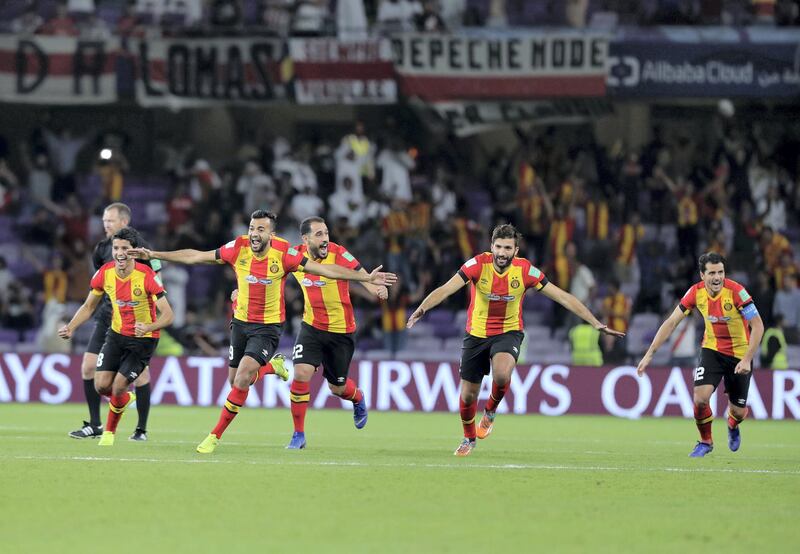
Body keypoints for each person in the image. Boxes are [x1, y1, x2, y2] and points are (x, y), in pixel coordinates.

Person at [129, 210, 396, 454]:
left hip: (295, 328)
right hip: (274, 324)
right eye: (252, 228)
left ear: (272, 234)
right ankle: (290, 412)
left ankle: (215, 435)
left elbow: (330, 270)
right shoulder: (239, 247)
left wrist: (369, 281)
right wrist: (154, 255)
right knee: (240, 381)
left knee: (334, 387)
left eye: (261, 229)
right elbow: (196, 256)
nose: (255, 234)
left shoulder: (293, 254)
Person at [406, 224, 623, 457]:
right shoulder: (477, 264)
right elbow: (446, 288)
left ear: (516, 250)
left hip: (508, 331)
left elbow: (563, 297)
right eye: (498, 247)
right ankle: (469, 438)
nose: (502, 252)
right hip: (476, 334)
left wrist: (594, 321)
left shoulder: (525, 271)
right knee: (468, 394)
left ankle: (489, 412)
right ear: (491, 247)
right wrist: (422, 308)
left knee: (501, 374)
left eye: (507, 248)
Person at [636, 252, 764, 457]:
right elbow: (671, 322)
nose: (717, 277)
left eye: (720, 272)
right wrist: (649, 354)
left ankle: (732, 423)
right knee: (700, 399)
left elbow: (757, 326)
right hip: (711, 349)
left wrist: (747, 358)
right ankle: (706, 441)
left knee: (738, 411)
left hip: (740, 355)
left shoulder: (737, 292)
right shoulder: (695, 293)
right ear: (702, 275)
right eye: (712, 273)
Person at [58, 228, 174, 446]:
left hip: (143, 339)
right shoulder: (104, 273)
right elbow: (88, 305)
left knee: (119, 385)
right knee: (101, 386)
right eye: (116, 248)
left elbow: (168, 315)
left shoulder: (146, 276)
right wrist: (71, 327)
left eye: (126, 249)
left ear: (134, 252)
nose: (120, 253)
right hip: (117, 335)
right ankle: (123, 400)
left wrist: (149, 325)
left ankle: (109, 434)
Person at [285, 217, 388, 449]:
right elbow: (271, 273)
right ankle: (298, 434)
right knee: (301, 374)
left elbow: (364, 275)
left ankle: (357, 397)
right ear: (306, 239)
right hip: (311, 327)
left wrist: (376, 289)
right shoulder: (293, 255)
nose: (325, 239)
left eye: (326, 233)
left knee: (337, 388)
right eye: (319, 234)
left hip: (341, 331)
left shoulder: (339, 253)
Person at [69, 202, 159, 441]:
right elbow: (100, 283)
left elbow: (157, 268)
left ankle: (141, 429)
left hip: (136, 317)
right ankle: (96, 424)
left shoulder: (140, 247)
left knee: (141, 375)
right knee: (88, 367)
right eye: (104, 220)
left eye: (110, 220)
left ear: (124, 222)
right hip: (108, 315)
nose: (106, 224)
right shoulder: (100, 249)